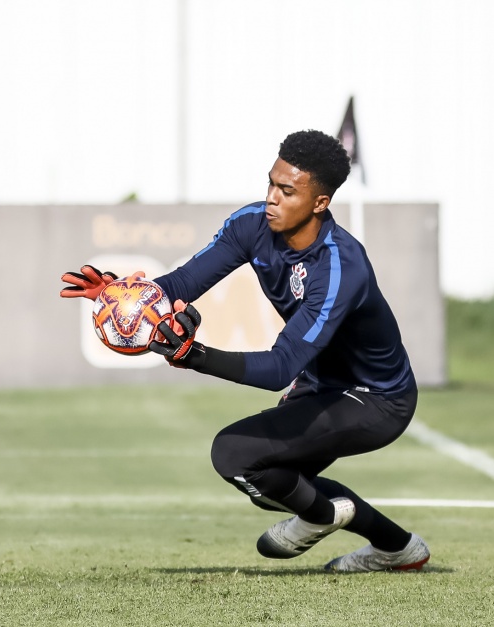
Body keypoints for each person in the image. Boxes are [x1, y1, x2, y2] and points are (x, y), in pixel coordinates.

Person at [59, 130, 429, 572]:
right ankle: (395, 547)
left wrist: (193, 355)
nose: (271, 197)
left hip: (376, 398)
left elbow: (279, 368)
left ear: (320, 203)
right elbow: (180, 284)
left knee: (233, 453)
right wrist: (125, 297)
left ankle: (321, 515)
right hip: (319, 382)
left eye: (287, 191)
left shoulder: (340, 266)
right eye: (271, 183)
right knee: (265, 470)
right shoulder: (251, 224)